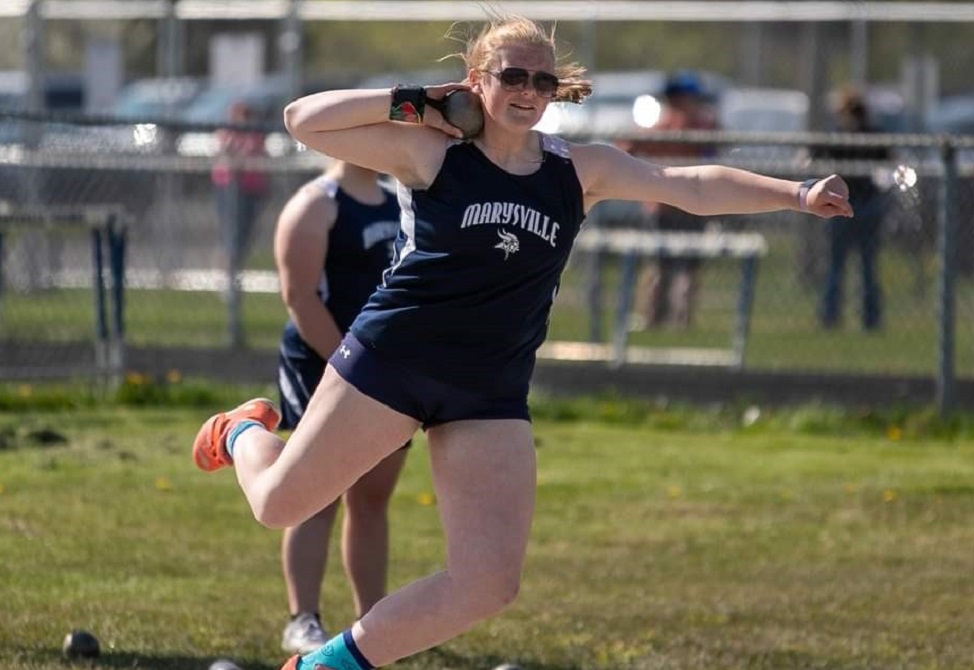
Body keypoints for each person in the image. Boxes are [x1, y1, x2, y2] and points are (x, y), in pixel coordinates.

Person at [190, 14, 852, 670]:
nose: (529, 89)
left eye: (543, 78)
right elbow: (303, 119)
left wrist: (796, 192)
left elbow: (686, 186)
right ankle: (243, 430)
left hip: (488, 386)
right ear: (477, 81)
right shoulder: (432, 152)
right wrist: (416, 101)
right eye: (513, 75)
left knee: (488, 584)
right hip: (394, 361)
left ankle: (322, 667)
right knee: (279, 506)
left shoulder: (575, 170)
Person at [273, 160, 409, 654]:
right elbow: (299, 296)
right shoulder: (316, 205)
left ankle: (374, 623)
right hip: (324, 365)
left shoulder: (403, 200)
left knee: (373, 497)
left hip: (386, 370)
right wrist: (346, 367)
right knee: (316, 494)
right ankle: (302, 619)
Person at [623, 70, 719, 330]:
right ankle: (659, 318)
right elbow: (627, 148)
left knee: (684, 267)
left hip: (689, 205)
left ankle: (677, 320)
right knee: (662, 266)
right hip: (665, 206)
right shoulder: (670, 125)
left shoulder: (699, 127)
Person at [814, 87, 889, 331]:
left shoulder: (858, 135)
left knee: (859, 266)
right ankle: (835, 316)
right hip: (845, 205)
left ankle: (854, 317)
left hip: (862, 205)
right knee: (841, 266)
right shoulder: (850, 135)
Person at [213, 101, 269, 275]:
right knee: (231, 230)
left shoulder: (254, 133)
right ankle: (228, 270)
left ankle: (235, 268)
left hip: (251, 188)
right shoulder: (227, 132)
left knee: (245, 232)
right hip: (230, 187)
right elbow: (225, 154)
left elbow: (256, 153)